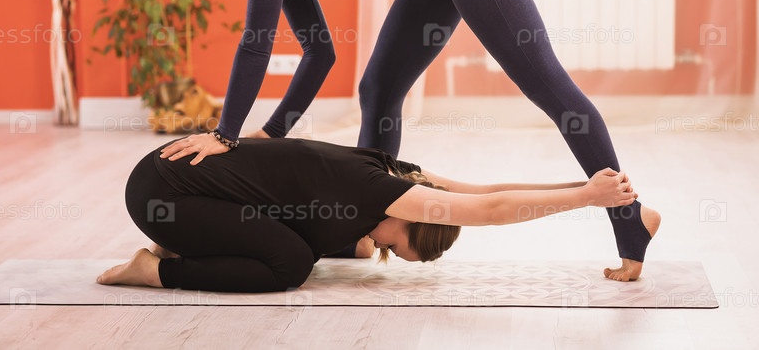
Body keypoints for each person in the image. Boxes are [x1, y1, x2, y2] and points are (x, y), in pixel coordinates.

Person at [138, 0, 661, 282]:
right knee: (379, 90)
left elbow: (257, 42)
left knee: (544, 83)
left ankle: (629, 217)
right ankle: (362, 222)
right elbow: (319, 54)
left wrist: (226, 135)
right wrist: (272, 132)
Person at [96, 137, 638, 293]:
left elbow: (488, 189)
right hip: (164, 192)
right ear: (412, 216)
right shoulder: (380, 191)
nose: (384, 250)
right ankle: (157, 270)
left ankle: (184, 244)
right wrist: (587, 200)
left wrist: (584, 187)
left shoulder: (400, 175)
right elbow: (491, 209)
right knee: (291, 265)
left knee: (326, 242)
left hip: (181, 186)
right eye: (395, 246)